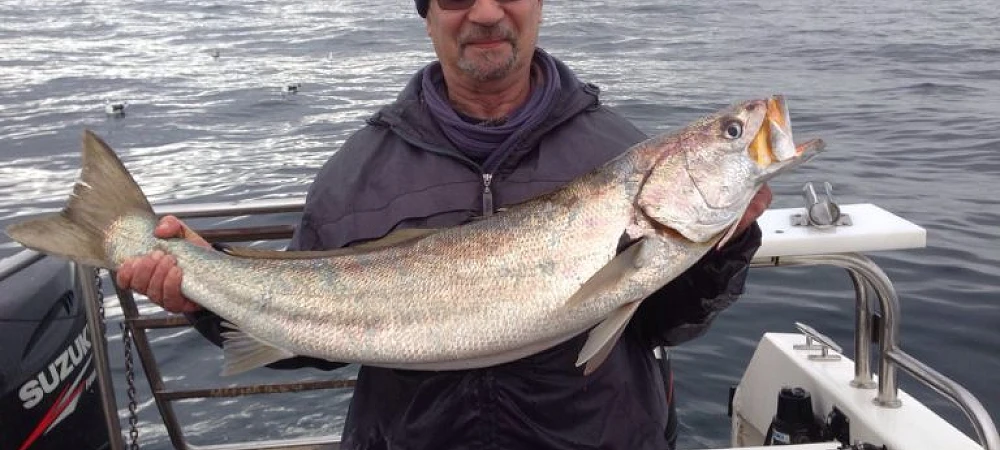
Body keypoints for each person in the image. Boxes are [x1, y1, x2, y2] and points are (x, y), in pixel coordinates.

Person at [116, 0, 772, 448]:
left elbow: (667, 323)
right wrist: (201, 289)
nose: (485, 12)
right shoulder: (355, 172)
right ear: (427, 15)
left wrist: (724, 246)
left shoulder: (618, 149)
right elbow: (309, 337)